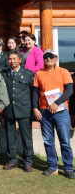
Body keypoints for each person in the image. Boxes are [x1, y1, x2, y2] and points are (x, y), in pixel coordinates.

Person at [33, 49, 74, 179]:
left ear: (56, 58)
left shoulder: (64, 71)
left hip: (61, 111)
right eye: (46, 57)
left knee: (65, 141)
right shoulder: (39, 74)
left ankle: (68, 168)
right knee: (48, 141)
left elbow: (69, 90)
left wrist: (57, 103)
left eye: (51, 56)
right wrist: (35, 108)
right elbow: (35, 92)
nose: (48, 59)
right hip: (44, 111)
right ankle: (52, 166)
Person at [1, 51, 34, 172]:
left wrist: (33, 109)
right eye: (10, 59)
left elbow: (32, 93)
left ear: (20, 60)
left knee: (26, 136)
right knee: (10, 136)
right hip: (9, 108)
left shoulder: (28, 74)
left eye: (14, 59)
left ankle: (28, 161)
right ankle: (12, 160)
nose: (12, 61)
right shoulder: (4, 74)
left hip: (24, 109)